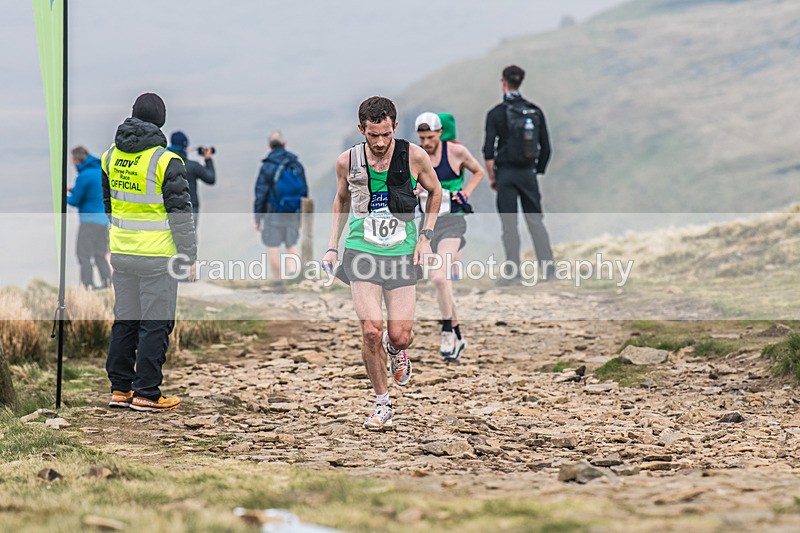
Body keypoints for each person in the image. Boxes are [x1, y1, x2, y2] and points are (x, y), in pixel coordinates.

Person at [322, 96, 442, 430]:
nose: (379, 142)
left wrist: (425, 237)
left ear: (394, 128)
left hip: (402, 252)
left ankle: (397, 350)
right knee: (371, 330)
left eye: (386, 135)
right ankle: (382, 403)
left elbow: (436, 193)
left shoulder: (414, 156)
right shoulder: (347, 162)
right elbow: (341, 200)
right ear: (361, 129)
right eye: (373, 135)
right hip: (362, 251)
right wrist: (332, 246)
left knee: (399, 335)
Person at [101, 93, 197, 412]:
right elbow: (180, 216)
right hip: (158, 257)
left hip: (122, 252)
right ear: (161, 122)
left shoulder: (109, 158)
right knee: (155, 323)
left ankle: (119, 389)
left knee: (125, 321)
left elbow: (109, 206)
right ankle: (146, 393)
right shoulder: (167, 161)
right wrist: (189, 256)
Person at [414, 112, 485, 362]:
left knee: (438, 278)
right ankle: (457, 333)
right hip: (427, 224)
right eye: (422, 137)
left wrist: (466, 192)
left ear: (440, 133)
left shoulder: (455, 152)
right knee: (443, 282)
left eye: (430, 137)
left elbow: (478, 172)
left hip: (453, 221)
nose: (426, 143)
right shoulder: (416, 157)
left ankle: (446, 331)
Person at [483, 65, 554, 285]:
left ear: (503, 82)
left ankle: (513, 273)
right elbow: (546, 148)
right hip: (528, 174)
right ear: (520, 82)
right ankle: (549, 271)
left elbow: (488, 150)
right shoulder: (535, 111)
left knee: (509, 224)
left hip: (505, 174)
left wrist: (493, 177)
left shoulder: (495, 113)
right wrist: (536, 170)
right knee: (536, 222)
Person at [253, 131, 308, 287]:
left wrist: (258, 218)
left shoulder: (267, 166)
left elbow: (260, 194)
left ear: (269, 146)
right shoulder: (295, 164)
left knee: (273, 245)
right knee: (291, 244)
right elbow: (304, 191)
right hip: (293, 211)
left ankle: (278, 280)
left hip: (273, 213)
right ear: (285, 144)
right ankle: (295, 277)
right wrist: (302, 215)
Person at [67, 146, 111, 290]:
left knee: (83, 254)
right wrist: (73, 190)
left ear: (76, 160)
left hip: (88, 221)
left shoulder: (83, 176)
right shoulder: (100, 171)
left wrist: (63, 195)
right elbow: (94, 193)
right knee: (100, 253)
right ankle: (107, 282)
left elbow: (75, 201)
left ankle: (87, 284)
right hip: (103, 220)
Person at [167, 131, 215, 229]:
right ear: (185, 147)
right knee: (189, 240)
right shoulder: (192, 166)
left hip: (169, 208)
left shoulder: (165, 164)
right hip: (190, 208)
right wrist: (208, 159)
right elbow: (211, 178)